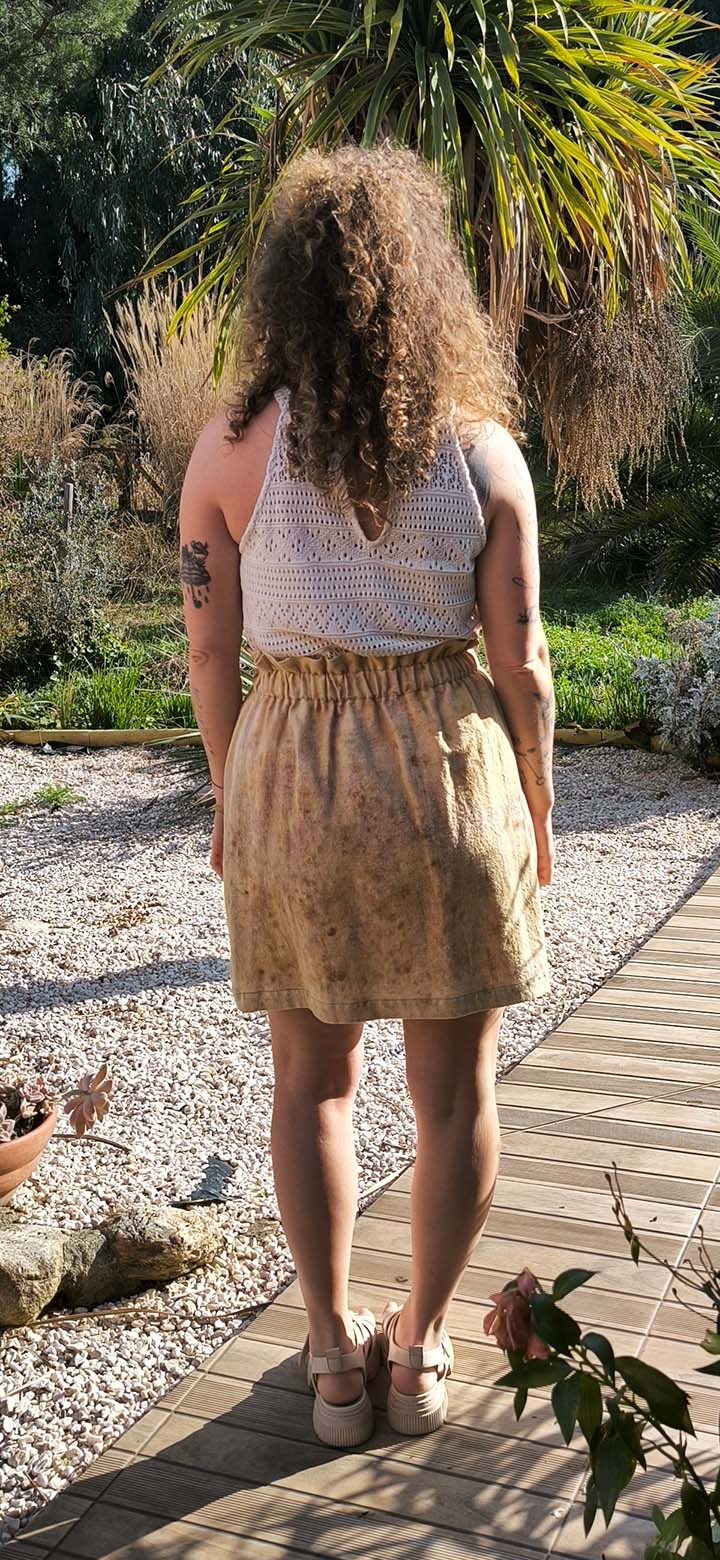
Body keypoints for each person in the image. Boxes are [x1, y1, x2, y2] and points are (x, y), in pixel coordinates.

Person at [179, 141, 555, 1451]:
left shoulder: (229, 448)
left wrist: (231, 796)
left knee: (311, 1083)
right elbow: (524, 664)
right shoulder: (483, 454)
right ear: (424, 285)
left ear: (283, 290)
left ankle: (333, 1358)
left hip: (292, 776)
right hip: (446, 779)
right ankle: (422, 1348)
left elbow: (210, 654)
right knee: (453, 1096)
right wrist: (540, 808)